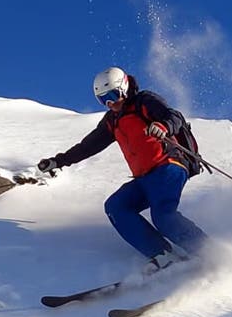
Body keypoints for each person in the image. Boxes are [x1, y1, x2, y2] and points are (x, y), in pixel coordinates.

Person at [37, 67, 209, 273]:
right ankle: (163, 255)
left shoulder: (143, 101)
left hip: (168, 166)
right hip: (144, 178)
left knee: (163, 216)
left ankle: (208, 253)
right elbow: (88, 146)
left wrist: (163, 126)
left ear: (124, 87)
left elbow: (174, 116)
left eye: (113, 95)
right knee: (116, 207)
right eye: (103, 100)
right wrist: (58, 161)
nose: (111, 103)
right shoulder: (112, 120)